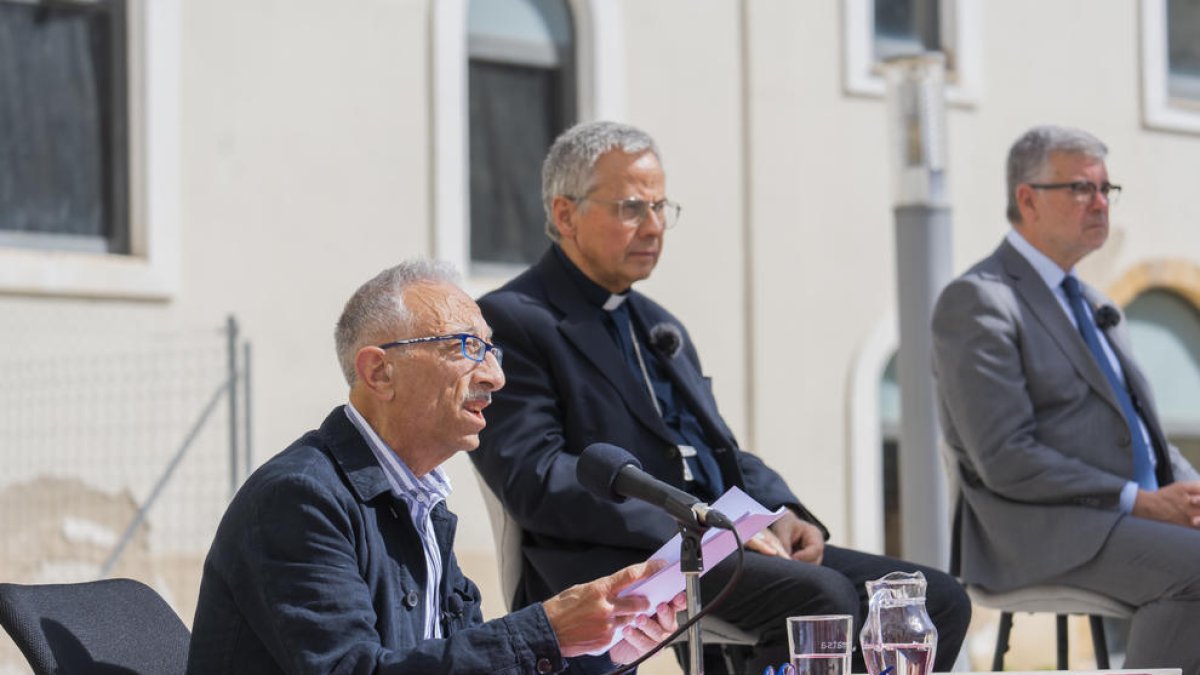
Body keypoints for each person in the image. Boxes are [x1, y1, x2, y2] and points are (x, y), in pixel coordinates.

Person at [471, 120, 970, 674]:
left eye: (662, 208)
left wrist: (781, 509)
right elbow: (536, 478)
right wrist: (693, 523)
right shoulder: (513, 320)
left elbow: (717, 449)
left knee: (934, 599)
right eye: (633, 209)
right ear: (565, 214)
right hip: (619, 555)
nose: (654, 226)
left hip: (719, 542)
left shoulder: (658, 324)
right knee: (819, 600)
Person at [187, 260, 685, 675]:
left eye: (492, 349)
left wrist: (605, 651)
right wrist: (548, 630)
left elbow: (463, 663)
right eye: (467, 347)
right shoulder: (300, 498)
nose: (495, 375)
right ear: (380, 372)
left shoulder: (420, 501)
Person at [932, 124, 1200, 671]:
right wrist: (1137, 499)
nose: (1101, 204)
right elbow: (1006, 457)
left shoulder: (1097, 304)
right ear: (1027, 199)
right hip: (1033, 534)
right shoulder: (980, 301)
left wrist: (1189, 493)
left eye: (1106, 190)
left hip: (1127, 521)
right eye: (1081, 189)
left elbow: (1143, 434)